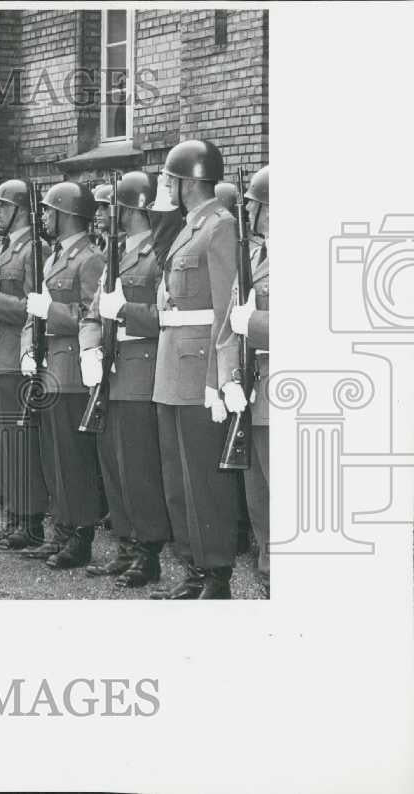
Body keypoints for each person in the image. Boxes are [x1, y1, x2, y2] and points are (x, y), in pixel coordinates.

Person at [144, 139, 240, 600]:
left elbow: (225, 310)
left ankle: (216, 571)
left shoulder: (220, 227)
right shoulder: (186, 228)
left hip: (199, 368)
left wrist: (217, 381)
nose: (168, 187)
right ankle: (192, 568)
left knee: (203, 478)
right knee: (177, 478)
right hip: (169, 369)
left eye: (171, 180)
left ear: (187, 180)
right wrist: (166, 205)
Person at [79, 172, 172, 585]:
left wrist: (124, 313)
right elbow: (92, 311)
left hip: (139, 368)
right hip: (110, 369)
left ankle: (147, 551)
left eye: (109, 205)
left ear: (133, 208)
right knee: (113, 463)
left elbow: (163, 319)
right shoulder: (116, 252)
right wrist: (90, 347)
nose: (102, 214)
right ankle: (125, 541)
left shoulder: (158, 255)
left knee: (137, 466)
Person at [19, 181, 106, 566]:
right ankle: (63, 529)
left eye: (50, 211)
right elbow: (31, 314)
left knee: (74, 459)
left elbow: (92, 315)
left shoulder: (90, 259)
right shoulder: (54, 257)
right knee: (53, 456)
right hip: (50, 363)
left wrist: (48, 312)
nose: (45, 217)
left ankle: (81, 535)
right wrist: (26, 349)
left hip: (72, 367)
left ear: (67, 214)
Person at [0, 178, 50, 547]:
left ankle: (29, 520)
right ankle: (15, 515)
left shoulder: (35, 250)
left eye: (3, 207)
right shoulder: (2, 251)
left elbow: (35, 310)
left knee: (19, 442)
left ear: (19, 209)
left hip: (18, 356)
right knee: (2, 441)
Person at [217, 165, 270, 598]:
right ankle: (271, 578)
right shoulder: (251, 257)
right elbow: (227, 331)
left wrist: (256, 323)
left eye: (254, 202)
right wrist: (229, 378)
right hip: (251, 393)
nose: (249, 209)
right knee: (259, 501)